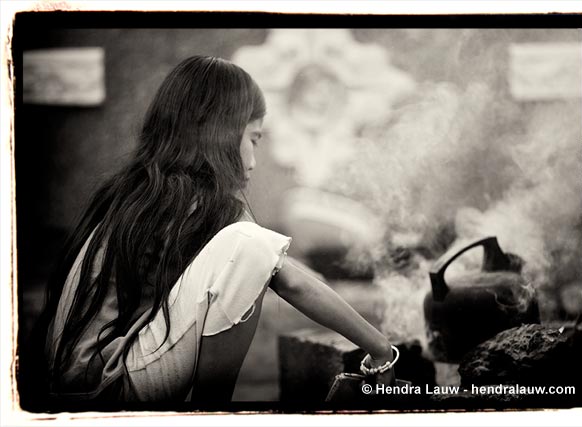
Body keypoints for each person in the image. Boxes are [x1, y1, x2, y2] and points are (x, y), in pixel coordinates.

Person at [26, 55, 396, 407]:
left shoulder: (150, 189)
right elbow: (288, 279)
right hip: (105, 383)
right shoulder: (196, 203)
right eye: (253, 139)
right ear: (219, 134)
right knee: (249, 248)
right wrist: (380, 349)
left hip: (76, 377)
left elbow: (291, 274)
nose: (253, 161)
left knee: (255, 252)